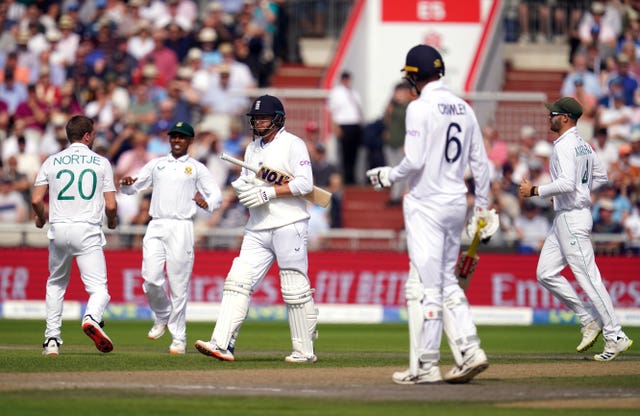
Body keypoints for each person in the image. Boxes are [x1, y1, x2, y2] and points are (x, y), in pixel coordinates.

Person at [366, 45, 495, 385]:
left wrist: (387, 176)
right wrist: (481, 207)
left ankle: (426, 365)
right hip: (457, 203)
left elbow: (414, 161)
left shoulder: (419, 107)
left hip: (426, 204)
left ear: (414, 77)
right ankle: (469, 348)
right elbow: (481, 164)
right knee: (447, 281)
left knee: (429, 286)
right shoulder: (464, 109)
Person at [195, 94, 319, 363]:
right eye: (256, 118)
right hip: (257, 226)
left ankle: (304, 351)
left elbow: (306, 185)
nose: (259, 122)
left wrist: (269, 194)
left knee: (294, 289)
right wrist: (243, 187)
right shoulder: (253, 148)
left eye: (264, 117)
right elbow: (246, 179)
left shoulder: (293, 144)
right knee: (237, 281)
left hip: (289, 223)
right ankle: (222, 343)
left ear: (278, 119)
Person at [519, 97, 633, 361]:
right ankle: (588, 319)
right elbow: (600, 177)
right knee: (545, 273)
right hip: (566, 215)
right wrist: (572, 195)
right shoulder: (583, 145)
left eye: (553, 114)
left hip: (572, 218)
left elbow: (568, 183)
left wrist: (536, 190)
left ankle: (615, 335)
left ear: (566, 118)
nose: (549, 118)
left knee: (589, 279)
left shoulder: (566, 146)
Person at [119, 121, 222, 355]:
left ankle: (178, 338)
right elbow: (134, 186)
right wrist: (126, 185)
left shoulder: (196, 168)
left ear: (190, 141)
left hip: (182, 227)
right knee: (150, 278)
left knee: (178, 285)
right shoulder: (156, 165)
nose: (177, 140)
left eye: (182, 137)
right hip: (156, 224)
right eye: (174, 137)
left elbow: (214, 194)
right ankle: (163, 315)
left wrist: (209, 204)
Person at [31, 115, 118, 356]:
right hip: (87, 230)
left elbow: (36, 199)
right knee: (99, 290)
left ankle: (51, 340)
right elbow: (110, 205)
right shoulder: (101, 162)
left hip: (58, 229)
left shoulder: (52, 161)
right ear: (87, 136)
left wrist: (40, 217)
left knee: (56, 283)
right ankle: (91, 316)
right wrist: (112, 221)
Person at [328, 70, 364, 185]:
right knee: (344, 154)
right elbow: (332, 111)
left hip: (354, 125)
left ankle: (352, 177)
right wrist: (336, 127)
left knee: (354, 153)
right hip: (343, 125)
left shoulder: (354, 92)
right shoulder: (336, 93)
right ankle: (345, 178)